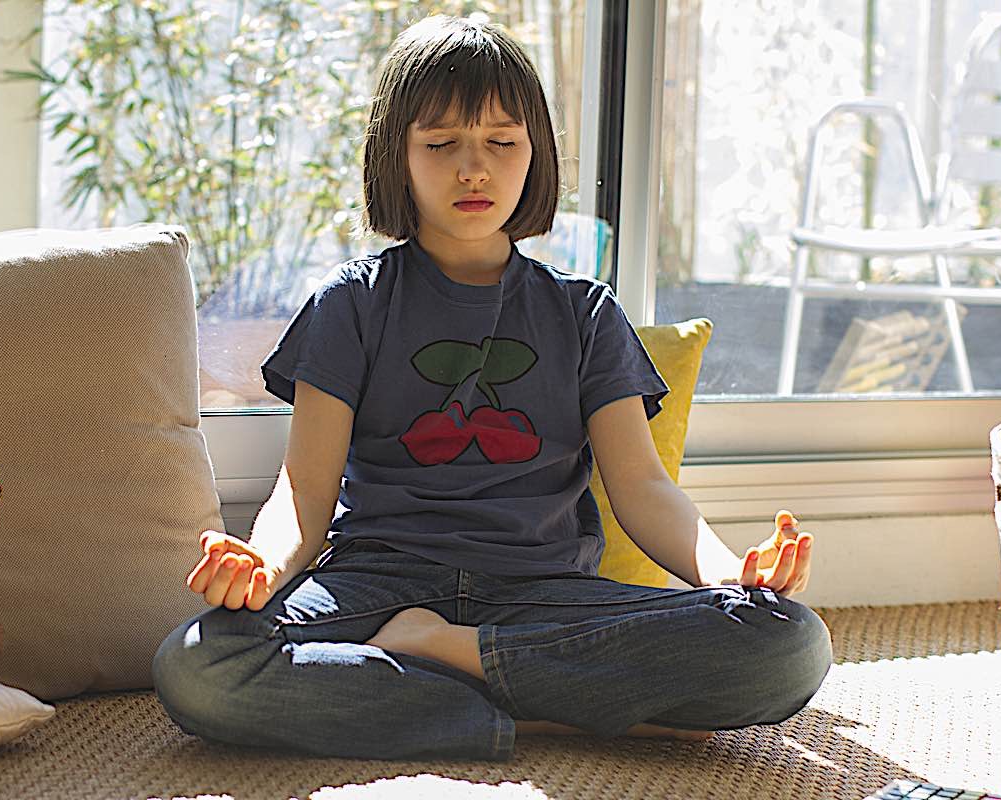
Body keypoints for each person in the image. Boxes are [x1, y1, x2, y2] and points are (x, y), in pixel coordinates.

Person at [152, 14, 832, 762]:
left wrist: (733, 574)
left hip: (545, 595)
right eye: (441, 145)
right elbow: (303, 497)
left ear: (532, 153)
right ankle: (544, 707)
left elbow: (643, 491)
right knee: (196, 665)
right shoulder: (352, 302)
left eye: (501, 143)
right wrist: (262, 565)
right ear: (397, 158)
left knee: (790, 644)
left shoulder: (585, 312)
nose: (473, 169)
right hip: (378, 584)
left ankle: (447, 662)